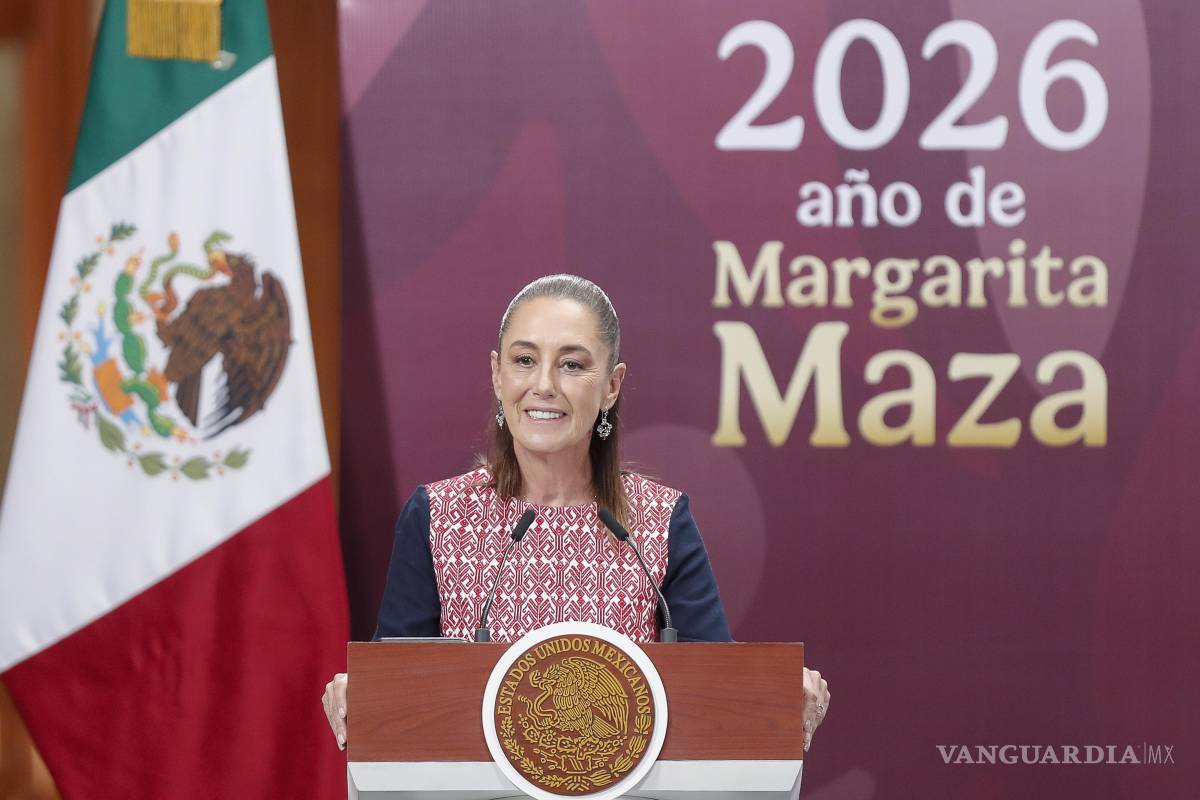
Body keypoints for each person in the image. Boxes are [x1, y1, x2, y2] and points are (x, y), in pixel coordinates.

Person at [322, 274, 830, 750]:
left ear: (611, 385)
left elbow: (719, 689)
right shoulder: (437, 515)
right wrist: (358, 692)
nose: (544, 384)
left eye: (572, 364)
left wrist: (782, 693)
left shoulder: (657, 520)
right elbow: (395, 688)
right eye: (524, 360)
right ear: (497, 375)